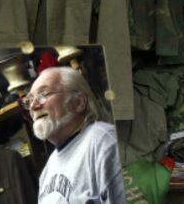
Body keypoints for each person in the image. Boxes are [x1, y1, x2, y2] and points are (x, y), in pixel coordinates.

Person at [24, 66, 125, 203]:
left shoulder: (105, 142)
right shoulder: (48, 170)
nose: (33, 106)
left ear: (79, 102)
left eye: (43, 95)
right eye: (29, 100)